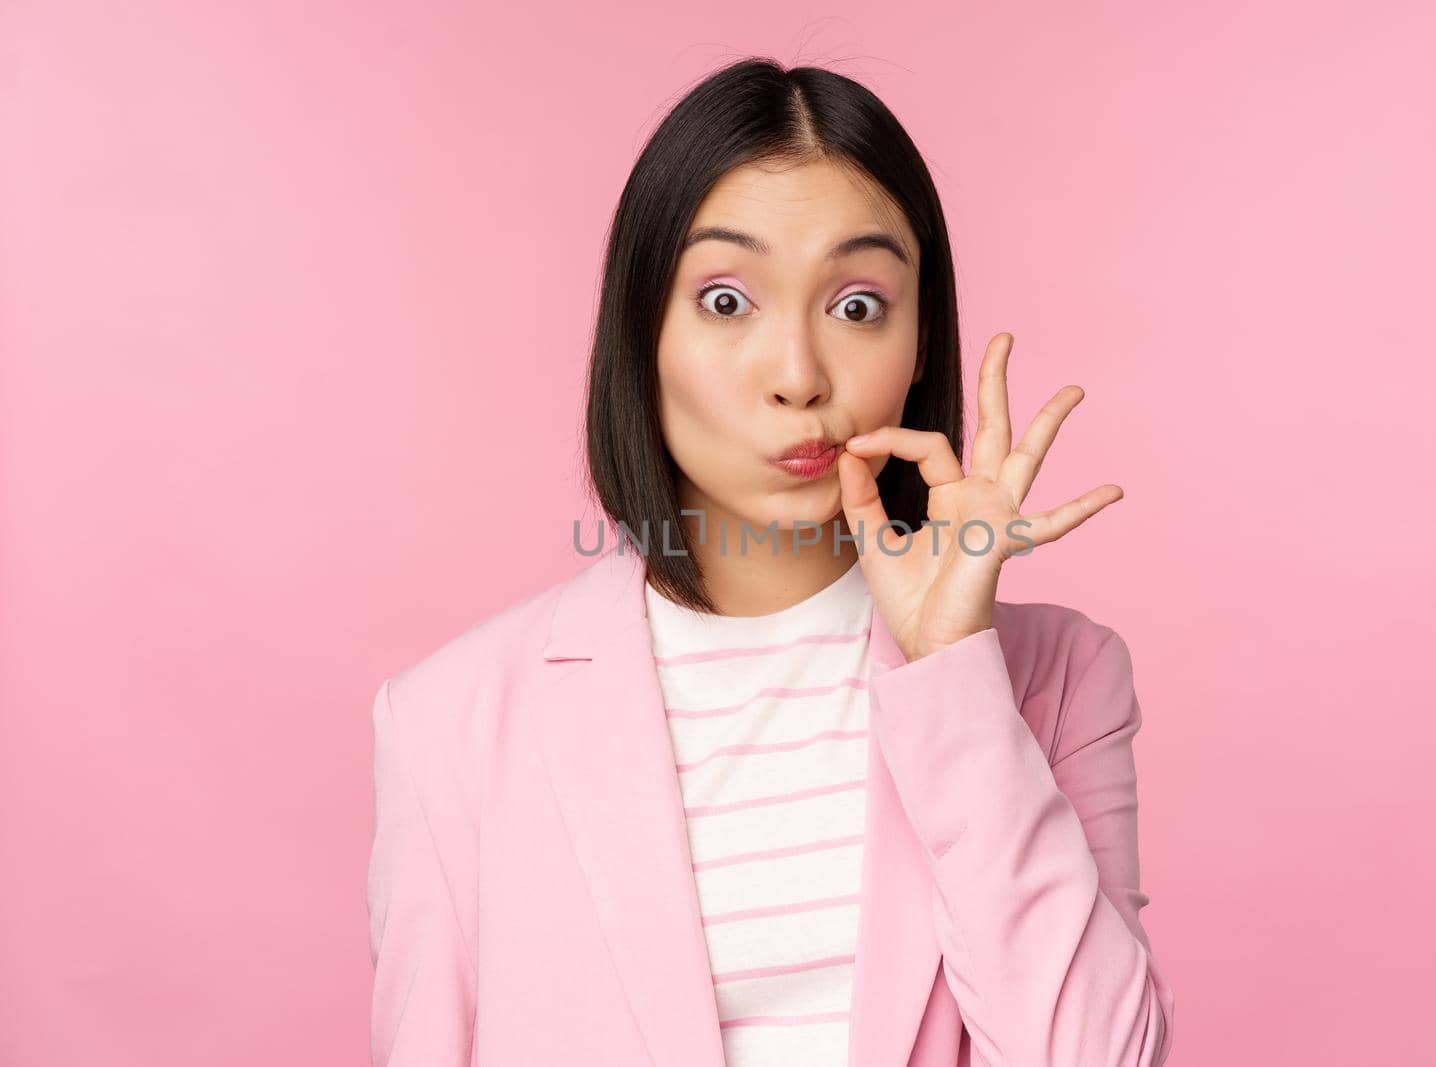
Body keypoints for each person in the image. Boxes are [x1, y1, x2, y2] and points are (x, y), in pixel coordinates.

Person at [365, 56, 1176, 1067]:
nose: (797, 376)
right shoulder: (448, 721)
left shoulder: (1059, 678)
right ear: (640, 329)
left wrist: (953, 672)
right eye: (723, 300)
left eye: (857, 306)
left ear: (920, 341)